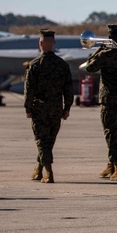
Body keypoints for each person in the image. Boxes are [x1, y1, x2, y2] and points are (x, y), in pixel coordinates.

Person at [84, 23, 117, 181]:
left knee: (109, 133)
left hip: (109, 98)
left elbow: (89, 68)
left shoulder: (104, 55)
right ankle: (111, 164)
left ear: (108, 37)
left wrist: (99, 49)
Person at [24, 29, 72, 184]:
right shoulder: (62, 65)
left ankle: (49, 172)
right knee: (48, 141)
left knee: (41, 141)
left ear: (40, 43)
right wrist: (67, 108)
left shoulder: (35, 65)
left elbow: (29, 89)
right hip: (56, 109)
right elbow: (68, 89)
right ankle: (38, 169)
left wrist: (28, 108)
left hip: (40, 108)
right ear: (54, 44)